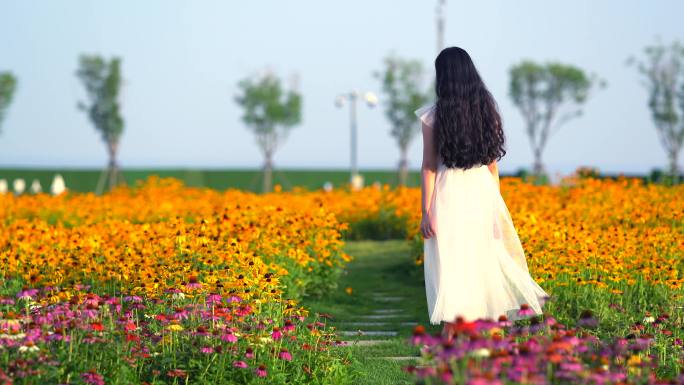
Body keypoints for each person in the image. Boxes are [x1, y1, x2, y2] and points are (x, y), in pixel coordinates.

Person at [416, 46, 548, 339]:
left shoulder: (432, 117)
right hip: (480, 194)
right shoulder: (487, 110)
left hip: (449, 195)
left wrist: (426, 212)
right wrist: (493, 211)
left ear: (444, 77)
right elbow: (492, 167)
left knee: (451, 266)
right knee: (478, 263)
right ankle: (478, 335)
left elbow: (428, 167)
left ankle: (451, 338)